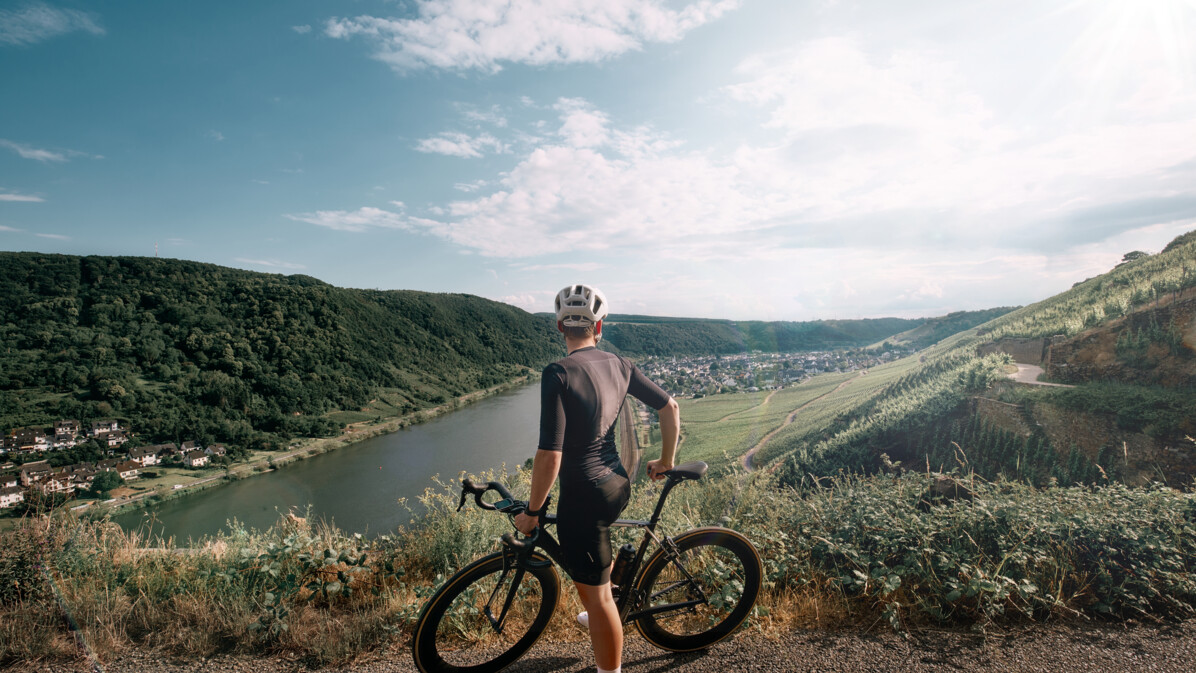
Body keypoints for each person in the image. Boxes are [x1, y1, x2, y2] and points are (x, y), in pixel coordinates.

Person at [514, 284, 681, 673]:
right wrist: (666, 460)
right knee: (591, 570)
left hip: (584, 497)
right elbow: (670, 407)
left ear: (559, 327)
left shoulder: (558, 372)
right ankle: (601, 601)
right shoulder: (621, 364)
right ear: (599, 326)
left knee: (599, 596)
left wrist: (533, 512)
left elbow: (550, 455)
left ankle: (606, 636)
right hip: (617, 484)